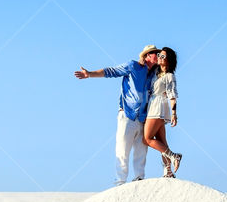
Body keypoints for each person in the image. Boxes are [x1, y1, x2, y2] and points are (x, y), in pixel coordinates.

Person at [74, 45, 160, 185]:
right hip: (127, 114)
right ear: (147, 56)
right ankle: (120, 182)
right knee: (122, 149)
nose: (158, 55)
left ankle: (139, 179)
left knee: (141, 150)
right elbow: (111, 71)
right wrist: (90, 74)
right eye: (155, 53)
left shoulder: (154, 75)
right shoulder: (133, 66)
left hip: (143, 117)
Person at [143, 47, 182, 178]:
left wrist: (174, 113)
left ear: (169, 60)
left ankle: (174, 156)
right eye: (159, 55)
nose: (159, 57)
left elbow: (172, 95)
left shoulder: (170, 76)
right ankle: (168, 171)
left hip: (158, 107)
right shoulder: (155, 72)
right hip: (153, 105)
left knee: (147, 138)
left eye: (163, 56)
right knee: (161, 141)